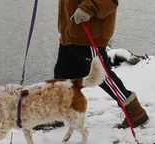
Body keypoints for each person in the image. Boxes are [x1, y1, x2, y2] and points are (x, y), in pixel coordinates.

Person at [53, 0, 149, 129]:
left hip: (88, 34)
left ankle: (135, 112)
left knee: (101, 76)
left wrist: (88, 8)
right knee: (62, 74)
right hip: (69, 33)